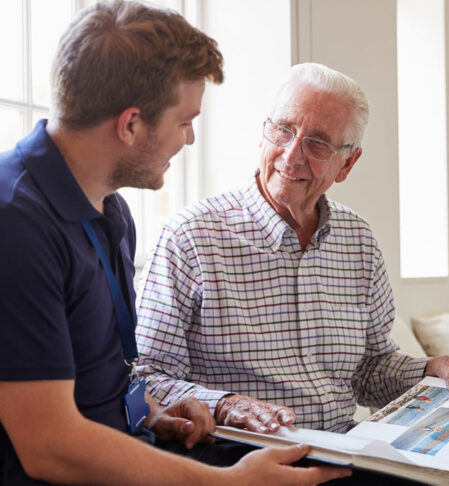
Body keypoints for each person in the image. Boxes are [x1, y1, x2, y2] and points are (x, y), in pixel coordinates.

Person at [135, 63, 449, 485]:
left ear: (347, 164)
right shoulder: (190, 236)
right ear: (263, 133)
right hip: (240, 452)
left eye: (317, 144)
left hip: (345, 447)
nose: (292, 155)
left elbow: (369, 369)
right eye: (283, 130)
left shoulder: (357, 240)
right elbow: (145, 376)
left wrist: (425, 371)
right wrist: (224, 404)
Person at [0, 3, 351, 485]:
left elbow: (102, 380)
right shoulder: (15, 223)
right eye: (185, 121)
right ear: (130, 125)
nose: (189, 139)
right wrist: (234, 483)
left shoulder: (109, 210)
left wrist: (152, 411)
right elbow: (49, 447)